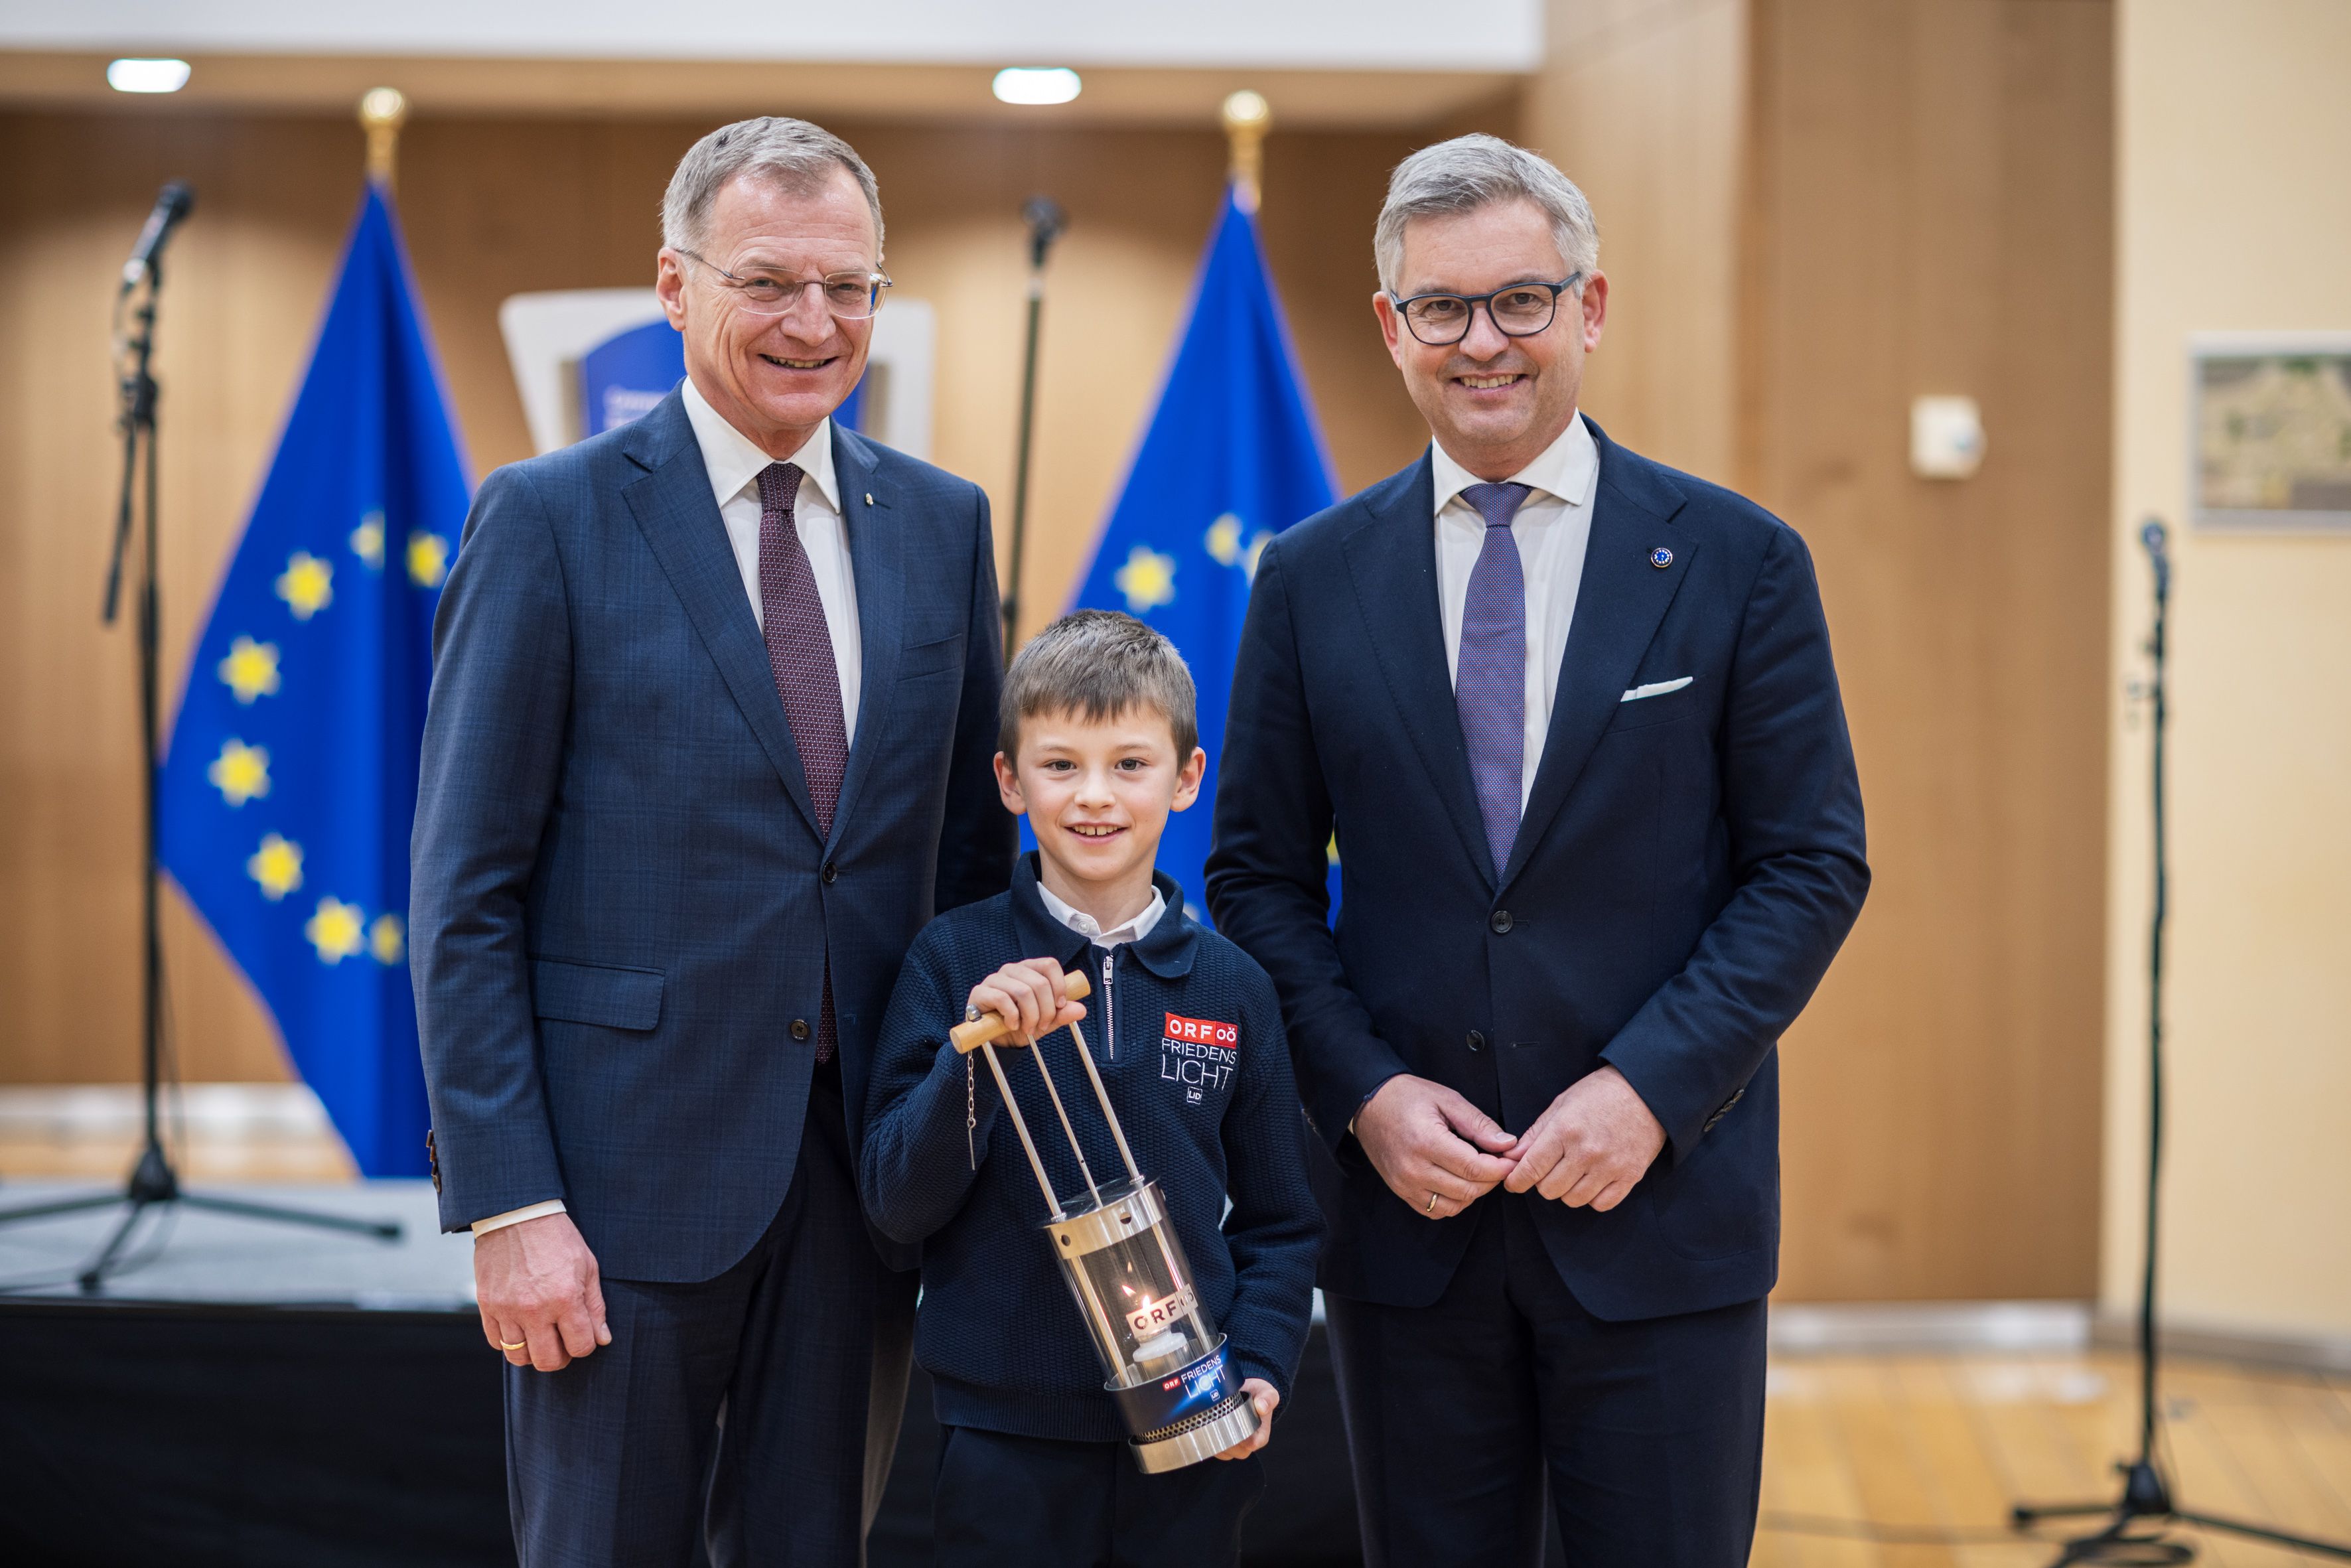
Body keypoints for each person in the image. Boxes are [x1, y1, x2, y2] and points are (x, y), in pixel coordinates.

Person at [1206, 133, 1871, 1564]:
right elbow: (1253, 876)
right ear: (1391, 329)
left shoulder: (1735, 561)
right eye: (1440, 308)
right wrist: (1363, 1093)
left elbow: (1809, 863)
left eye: (1521, 299)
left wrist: (1646, 1090)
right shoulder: (1311, 577)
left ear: (1590, 307)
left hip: (1660, 1211)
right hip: (1407, 1228)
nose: (1482, 342)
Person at [411, 117, 1012, 1567]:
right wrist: (510, 1202)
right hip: (615, 1193)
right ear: (672, 287)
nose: (815, 322)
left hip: (861, 1187)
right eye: (768, 280)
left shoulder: (941, 524)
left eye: (850, 286)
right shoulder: (547, 519)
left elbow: (966, 868)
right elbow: (464, 893)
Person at [860, 610, 1321, 1568]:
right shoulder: (954, 961)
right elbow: (895, 1203)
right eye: (1061, 765)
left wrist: (1264, 1363)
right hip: (1002, 1434)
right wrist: (973, 1057)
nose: (1094, 797)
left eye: (1130, 765)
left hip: (1194, 1420)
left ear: (1188, 778)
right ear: (1009, 781)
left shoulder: (1234, 987)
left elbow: (1282, 1221)